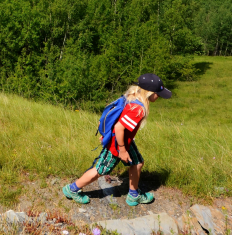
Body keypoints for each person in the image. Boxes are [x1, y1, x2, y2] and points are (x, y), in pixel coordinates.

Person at [62, 73, 171, 206]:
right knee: (101, 170)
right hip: (118, 144)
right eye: (158, 93)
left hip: (124, 141)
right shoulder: (138, 109)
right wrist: (122, 150)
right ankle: (72, 189)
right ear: (149, 93)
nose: (159, 96)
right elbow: (119, 127)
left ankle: (133, 195)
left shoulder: (131, 98)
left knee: (137, 163)